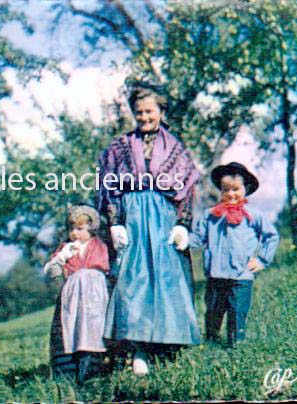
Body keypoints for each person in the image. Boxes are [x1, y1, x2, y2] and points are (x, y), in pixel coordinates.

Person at [98, 84, 201, 376]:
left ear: (161, 112)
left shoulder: (175, 147)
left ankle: (168, 347)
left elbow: (187, 187)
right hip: (132, 219)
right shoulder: (119, 146)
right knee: (133, 282)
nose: (144, 117)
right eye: (139, 112)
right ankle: (138, 348)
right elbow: (108, 185)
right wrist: (115, 221)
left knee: (167, 281)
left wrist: (183, 224)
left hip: (163, 219)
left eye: (149, 111)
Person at [188, 162, 279, 346]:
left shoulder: (253, 216)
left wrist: (262, 260)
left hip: (241, 278)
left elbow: (271, 236)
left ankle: (235, 347)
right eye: (225, 189)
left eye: (236, 189)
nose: (231, 194)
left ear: (246, 189)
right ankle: (212, 343)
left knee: (237, 314)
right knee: (213, 312)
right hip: (215, 276)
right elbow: (197, 238)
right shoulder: (210, 215)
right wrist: (181, 238)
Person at [44, 205, 110, 384]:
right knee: (70, 329)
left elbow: (112, 264)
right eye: (71, 229)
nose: (74, 233)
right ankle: (67, 373)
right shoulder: (66, 248)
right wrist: (60, 258)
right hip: (72, 294)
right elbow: (51, 272)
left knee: (94, 329)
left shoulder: (100, 244)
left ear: (91, 228)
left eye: (80, 229)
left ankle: (92, 370)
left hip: (95, 293)